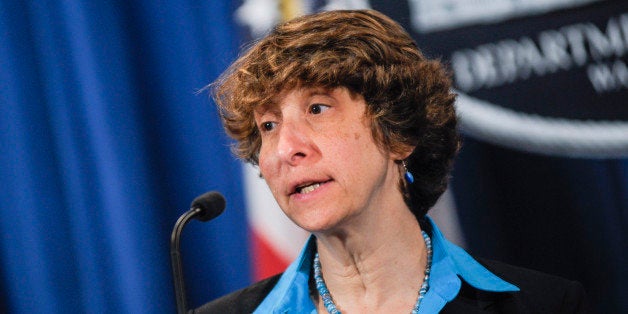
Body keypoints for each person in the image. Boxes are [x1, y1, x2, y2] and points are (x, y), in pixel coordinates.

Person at [195, 9, 592, 313]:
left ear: (398, 133)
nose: (286, 148)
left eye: (317, 108)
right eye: (267, 125)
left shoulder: (545, 305)